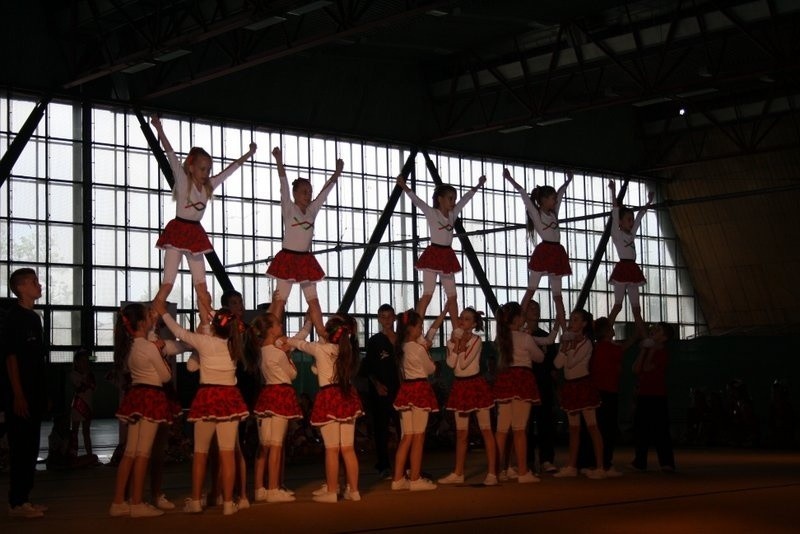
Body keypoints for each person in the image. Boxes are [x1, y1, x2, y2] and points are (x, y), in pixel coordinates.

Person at [150, 115, 257, 329]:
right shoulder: (183, 181)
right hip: (179, 231)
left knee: (202, 287)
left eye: (208, 169)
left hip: (195, 235)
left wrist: (250, 153)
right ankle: (150, 327)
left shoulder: (209, 186)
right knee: (168, 284)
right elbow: (169, 154)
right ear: (190, 167)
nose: (206, 173)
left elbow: (231, 169)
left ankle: (206, 327)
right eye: (202, 169)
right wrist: (158, 128)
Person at [155, 305, 250, 516]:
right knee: (227, 454)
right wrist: (207, 308)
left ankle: (196, 500)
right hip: (229, 398)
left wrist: (163, 313)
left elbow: (180, 332)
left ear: (213, 326)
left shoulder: (205, 342)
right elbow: (221, 321)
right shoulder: (235, 344)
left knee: (200, 453)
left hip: (207, 396)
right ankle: (227, 503)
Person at [267, 146, 344, 337]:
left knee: (314, 301)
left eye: (309, 191)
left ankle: (322, 334)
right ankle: (273, 335)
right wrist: (278, 159)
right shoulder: (289, 207)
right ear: (295, 194)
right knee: (280, 300)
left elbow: (325, 192)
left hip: (305, 260)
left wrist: (337, 173)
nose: (308, 195)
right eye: (304, 192)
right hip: (288, 258)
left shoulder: (312, 210)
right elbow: (283, 182)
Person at [286, 315, 363, 503]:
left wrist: (309, 325)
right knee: (347, 448)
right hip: (346, 395)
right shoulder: (348, 350)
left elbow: (295, 342)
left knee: (331, 449)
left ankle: (331, 491)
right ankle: (353, 491)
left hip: (329, 396)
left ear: (328, 332)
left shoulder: (320, 348)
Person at [109, 303, 174, 518]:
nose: (151, 319)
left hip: (136, 396)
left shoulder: (130, 346)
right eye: (149, 316)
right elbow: (166, 377)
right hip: (151, 397)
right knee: (143, 453)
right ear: (141, 322)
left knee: (130, 452)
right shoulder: (148, 347)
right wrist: (160, 354)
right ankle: (137, 502)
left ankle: (119, 501)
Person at [396, 173, 486, 327]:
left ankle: (456, 330)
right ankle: (416, 328)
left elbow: (465, 200)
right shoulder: (432, 213)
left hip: (447, 257)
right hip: (433, 256)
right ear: (440, 199)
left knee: (452, 297)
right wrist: (403, 185)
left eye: (454, 198)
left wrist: (478, 185)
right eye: (450, 198)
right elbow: (417, 201)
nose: (453, 201)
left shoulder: (453, 214)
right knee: (427, 294)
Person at [493, 302, 558, 483]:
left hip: (505, 380)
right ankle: (523, 472)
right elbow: (540, 357)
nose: (524, 317)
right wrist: (540, 348)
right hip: (522, 379)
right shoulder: (525, 338)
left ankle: (496, 471)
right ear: (518, 319)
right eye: (522, 315)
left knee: (502, 429)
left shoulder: (502, 338)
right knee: (520, 429)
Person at [2, 268, 49, 519]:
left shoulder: (34, 318)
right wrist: (18, 394)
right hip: (20, 395)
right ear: (21, 288)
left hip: (34, 392)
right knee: (21, 448)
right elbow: (11, 358)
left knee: (31, 448)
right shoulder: (14, 319)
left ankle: (25, 498)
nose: (39, 285)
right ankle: (16, 502)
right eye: (34, 282)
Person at [502, 168, 573, 323]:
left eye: (555, 199)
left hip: (557, 252)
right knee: (531, 290)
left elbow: (561, 194)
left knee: (558, 296)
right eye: (552, 198)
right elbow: (523, 194)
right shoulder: (537, 213)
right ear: (544, 200)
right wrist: (509, 178)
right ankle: (517, 322)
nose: (555, 201)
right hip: (544, 251)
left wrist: (567, 181)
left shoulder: (554, 213)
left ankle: (564, 330)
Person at [437, 307, 498, 486]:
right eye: (461, 318)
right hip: (460, 387)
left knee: (486, 430)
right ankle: (458, 473)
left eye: (467, 319)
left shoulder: (477, 340)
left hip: (476, 385)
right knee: (461, 434)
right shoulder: (452, 340)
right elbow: (450, 363)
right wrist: (455, 344)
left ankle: (493, 473)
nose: (463, 321)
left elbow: (463, 364)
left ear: (473, 324)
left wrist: (461, 345)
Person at [391, 306, 449, 492]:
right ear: (411, 328)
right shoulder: (417, 348)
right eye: (419, 327)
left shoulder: (401, 347)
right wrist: (429, 357)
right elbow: (431, 369)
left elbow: (431, 332)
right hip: (420, 389)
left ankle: (398, 478)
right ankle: (415, 478)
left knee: (406, 436)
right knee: (419, 436)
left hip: (406, 390)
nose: (421, 330)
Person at [248, 312, 303, 503]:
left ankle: (259, 488)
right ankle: (273, 488)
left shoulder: (259, 351)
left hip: (266, 395)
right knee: (277, 445)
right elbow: (293, 374)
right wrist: (287, 354)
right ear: (270, 329)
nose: (281, 327)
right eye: (278, 324)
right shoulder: (278, 353)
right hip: (281, 395)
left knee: (264, 445)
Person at [553, 309, 605, 479]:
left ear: (584, 324)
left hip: (583, 385)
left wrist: (567, 346)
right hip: (570, 386)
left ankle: (600, 467)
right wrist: (565, 346)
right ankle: (571, 466)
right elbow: (558, 364)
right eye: (571, 319)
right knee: (574, 428)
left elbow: (573, 362)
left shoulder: (587, 343)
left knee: (592, 426)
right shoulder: (567, 341)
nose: (571, 322)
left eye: (576, 320)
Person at [592, 317, 639, 476]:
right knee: (608, 429)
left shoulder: (599, 347)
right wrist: (635, 336)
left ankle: (601, 461)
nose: (613, 328)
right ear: (606, 331)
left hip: (600, 392)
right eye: (610, 327)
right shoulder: (609, 348)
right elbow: (623, 348)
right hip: (609, 392)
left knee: (601, 428)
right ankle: (606, 462)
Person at [607, 180, 654, 334]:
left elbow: (640, 216)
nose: (632, 221)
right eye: (628, 219)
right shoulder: (617, 234)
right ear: (620, 222)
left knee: (636, 308)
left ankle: (644, 335)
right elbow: (615, 211)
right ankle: (605, 332)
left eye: (631, 219)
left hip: (632, 269)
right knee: (618, 305)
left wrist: (648, 202)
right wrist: (613, 192)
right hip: (623, 269)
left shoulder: (631, 234)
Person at [361, 303, 400, 479]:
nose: (386, 320)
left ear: (394, 318)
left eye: (389, 316)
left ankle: (406, 466)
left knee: (404, 429)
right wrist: (376, 384)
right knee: (381, 429)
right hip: (381, 392)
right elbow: (367, 367)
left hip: (400, 390)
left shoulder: (401, 339)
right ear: (378, 319)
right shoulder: (374, 341)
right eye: (382, 317)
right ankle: (383, 465)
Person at [631, 322, 676, 472]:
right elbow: (636, 369)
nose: (653, 331)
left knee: (661, 430)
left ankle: (666, 462)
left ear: (664, 337)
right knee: (640, 430)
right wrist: (644, 349)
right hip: (643, 395)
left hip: (657, 396)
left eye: (658, 330)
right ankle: (640, 462)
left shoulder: (663, 353)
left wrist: (650, 350)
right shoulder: (650, 349)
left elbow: (646, 367)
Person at [523, 301, 559, 474]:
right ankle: (528, 461)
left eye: (537, 307)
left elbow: (553, 366)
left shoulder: (546, 337)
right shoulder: (521, 336)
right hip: (526, 385)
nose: (535, 310)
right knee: (526, 424)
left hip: (543, 384)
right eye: (531, 307)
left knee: (545, 423)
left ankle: (546, 459)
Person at [69, 348, 96, 458]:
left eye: (86, 361)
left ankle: (89, 454)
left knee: (86, 431)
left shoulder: (90, 374)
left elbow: (93, 387)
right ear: (77, 362)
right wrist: (86, 378)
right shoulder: (73, 374)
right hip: (78, 406)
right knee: (74, 431)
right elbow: (80, 388)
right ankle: (73, 454)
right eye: (82, 361)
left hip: (88, 405)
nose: (85, 364)